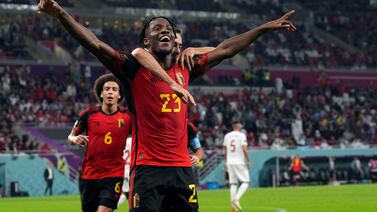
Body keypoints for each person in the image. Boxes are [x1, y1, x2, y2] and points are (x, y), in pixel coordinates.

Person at [37, 1, 296, 211]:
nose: (166, 31)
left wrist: (264, 28)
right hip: (148, 169)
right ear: (146, 42)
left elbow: (226, 49)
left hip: (182, 170)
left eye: (169, 29)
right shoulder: (132, 69)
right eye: (157, 28)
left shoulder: (185, 67)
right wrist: (60, 13)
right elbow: (95, 44)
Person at [67, 74, 131, 212]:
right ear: (101, 94)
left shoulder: (127, 117)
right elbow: (70, 137)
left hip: (114, 173)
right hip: (89, 173)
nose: (110, 92)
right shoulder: (88, 114)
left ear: (119, 95)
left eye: (114, 89)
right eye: (107, 89)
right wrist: (74, 139)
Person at [223, 121, 250, 212]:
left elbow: (225, 151)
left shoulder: (227, 136)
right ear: (239, 127)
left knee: (233, 183)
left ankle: (234, 208)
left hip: (230, 162)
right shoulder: (242, 136)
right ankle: (236, 199)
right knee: (246, 182)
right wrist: (248, 160)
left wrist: (226, 163)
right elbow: (244, 149)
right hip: (239, 161)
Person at [117, 137, 132, 207]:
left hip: (124, 169)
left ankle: (111, 207)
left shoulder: (124, 140)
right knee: (133, 192)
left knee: (124, 192)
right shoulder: (135, 140)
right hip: (132, 169)